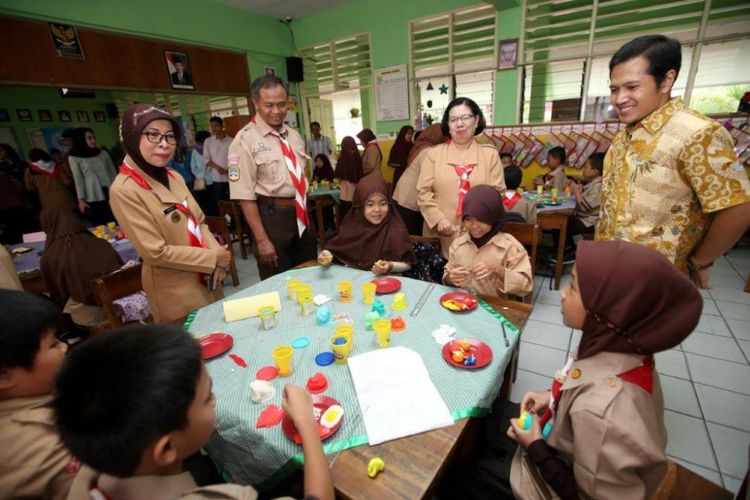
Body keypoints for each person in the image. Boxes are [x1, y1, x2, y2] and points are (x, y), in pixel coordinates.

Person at [440, 240, 702, 499]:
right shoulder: (621, 345)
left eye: (574, 287)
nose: (563, 293)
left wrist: (534, 446)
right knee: (491, 412)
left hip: (543, 482)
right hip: (560, 437)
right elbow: (581, 378)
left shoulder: (601, 411)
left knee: (457, 478)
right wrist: (552, 396)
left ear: (608, 309)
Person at [54, 325, 334, 500]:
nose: (214, 401)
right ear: (165, 450)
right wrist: (307, 422)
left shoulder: (86, 479)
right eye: (207, 398)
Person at [597, 35, 750, 288]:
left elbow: (739, 207)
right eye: (614, 89)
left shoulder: (698, 133)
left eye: (632, 87)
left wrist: (700, 262)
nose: (619, 98)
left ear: (666, 80)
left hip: (656, 281)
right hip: (612, 270)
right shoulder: (625, 136)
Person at [109, 104, 230, 323]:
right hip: (176, 290)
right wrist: (213, 257)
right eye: (153, 135)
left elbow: (199, 222)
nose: (164, 144)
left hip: (209, 278)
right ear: (132, 137)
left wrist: (218, 260)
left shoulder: (173, 176)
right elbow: (156, 253)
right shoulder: (124, 189)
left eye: (169, 136)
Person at [228, 75, 317, 280]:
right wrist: (261, 240)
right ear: (256, 103)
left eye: (282, 104)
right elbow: (245, 196)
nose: (276, 111)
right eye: (269, 105)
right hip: (272, 218)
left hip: (302, 213)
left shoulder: (293, 136)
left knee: (309, 273)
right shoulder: (244, 140)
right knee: (278, 281)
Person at [0, 290, 78, 499]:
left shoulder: (36, 397)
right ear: (4, 374)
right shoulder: (43, 448)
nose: (64, 347)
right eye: (53, 344)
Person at [417, 96, 506, 258]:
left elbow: (497, 194)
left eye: (465, 117)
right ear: (448, 125)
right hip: (441, 234)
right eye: (453, 119)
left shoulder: (490, 155)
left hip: (479, 233)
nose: (460, 124)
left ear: (477, 120)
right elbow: (423, 192)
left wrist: (477, 223)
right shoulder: (434, 154)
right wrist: (438, 220)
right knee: (441, 278)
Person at [39, 207, 123, 328]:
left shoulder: (51, 255)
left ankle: (72, 336)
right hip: (118, 303)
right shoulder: (101, 243)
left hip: (90, 314)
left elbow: (55, 292)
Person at [443, 185, 532, 298]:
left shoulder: (509, 246)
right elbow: (447, 275)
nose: (474, 226)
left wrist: (497, 269)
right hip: (462, 303)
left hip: (494, 308)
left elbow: (526, 286)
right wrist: (450, 277)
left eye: (481, 219)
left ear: (494, 217)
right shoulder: (458, 243)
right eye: (468, 219)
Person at [322, 176, 415, 274]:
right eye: (370, 205)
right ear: (360, 206)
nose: (377, 210)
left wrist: (390, 266)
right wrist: (326, 255)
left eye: (383, 204)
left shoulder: (395, 229)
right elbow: (337, 251)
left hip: (387, 283)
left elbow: (408, 263)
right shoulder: (352, 227)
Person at [393, 124, 447, 235]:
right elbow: (431, 176)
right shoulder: (428, 151)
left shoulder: (423, 146)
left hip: (404, 194)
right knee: (412, 233)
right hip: (409, 197)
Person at [68, 128, 117, 226]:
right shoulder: (74, 157)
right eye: (89, 138)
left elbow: (112, 172)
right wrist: (81, 199)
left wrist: (117, 191)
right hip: (92, 195)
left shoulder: (103, 154)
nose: (93, 141)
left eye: (93, 138)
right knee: (100, 225)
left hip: (109, 192)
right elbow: (78, 179)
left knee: (115, 221)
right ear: (81, 140)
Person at [565, 152, 604, 250]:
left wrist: (576, 191)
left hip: (589, 222)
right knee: (562, 219)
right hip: (583, 218)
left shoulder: (598, 186)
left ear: (595, 171)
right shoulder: (593, 183)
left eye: (586, 167)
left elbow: (584, 207)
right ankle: (567, 248)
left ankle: (569, 250)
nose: (583, 170)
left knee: (564, 225)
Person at [204, 116, 233, 215]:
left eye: (216, 126)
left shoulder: (231, 141)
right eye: (212, 127)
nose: (214, 129)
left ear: (222, 126)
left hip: (231, 177)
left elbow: (235, 159)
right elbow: (206, 160)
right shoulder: (208, 141)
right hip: (217, 179)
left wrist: (228, 171)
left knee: (233, 201)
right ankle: (225, 223)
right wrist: (218, 168)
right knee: (220, 203)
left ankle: (235, 223)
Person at [334, 136, 363, 219]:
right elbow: (361, 173)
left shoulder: (342, 159)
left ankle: (346, 229)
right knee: (356, 214)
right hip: (355, 192)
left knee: (345, 214)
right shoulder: (357, 157)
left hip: (344, 193)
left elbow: (337, 174)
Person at [189, 130, 213, 214]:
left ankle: (208, 219)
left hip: (199, 179)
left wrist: (199, 175)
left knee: (202, 202)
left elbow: (193, 168)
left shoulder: (195, 151)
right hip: (211, 179)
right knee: (212, 201)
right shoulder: (210, 150)